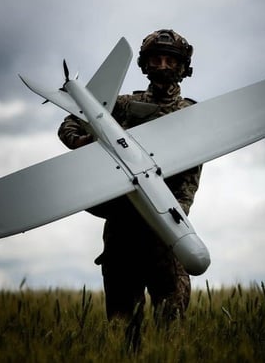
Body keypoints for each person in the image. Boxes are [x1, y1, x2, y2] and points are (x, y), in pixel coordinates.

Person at [57, 29, 202, 322]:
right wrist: (86, 143)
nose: (162, 66)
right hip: (122, 234)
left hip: (166, 232)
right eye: (156, 59)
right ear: (144, 65)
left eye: (170, 61)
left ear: (183, 68)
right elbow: (71, 124)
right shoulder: (120, 106)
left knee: (171, 327)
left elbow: (188, 183)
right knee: (122, 326)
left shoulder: (194, 114)